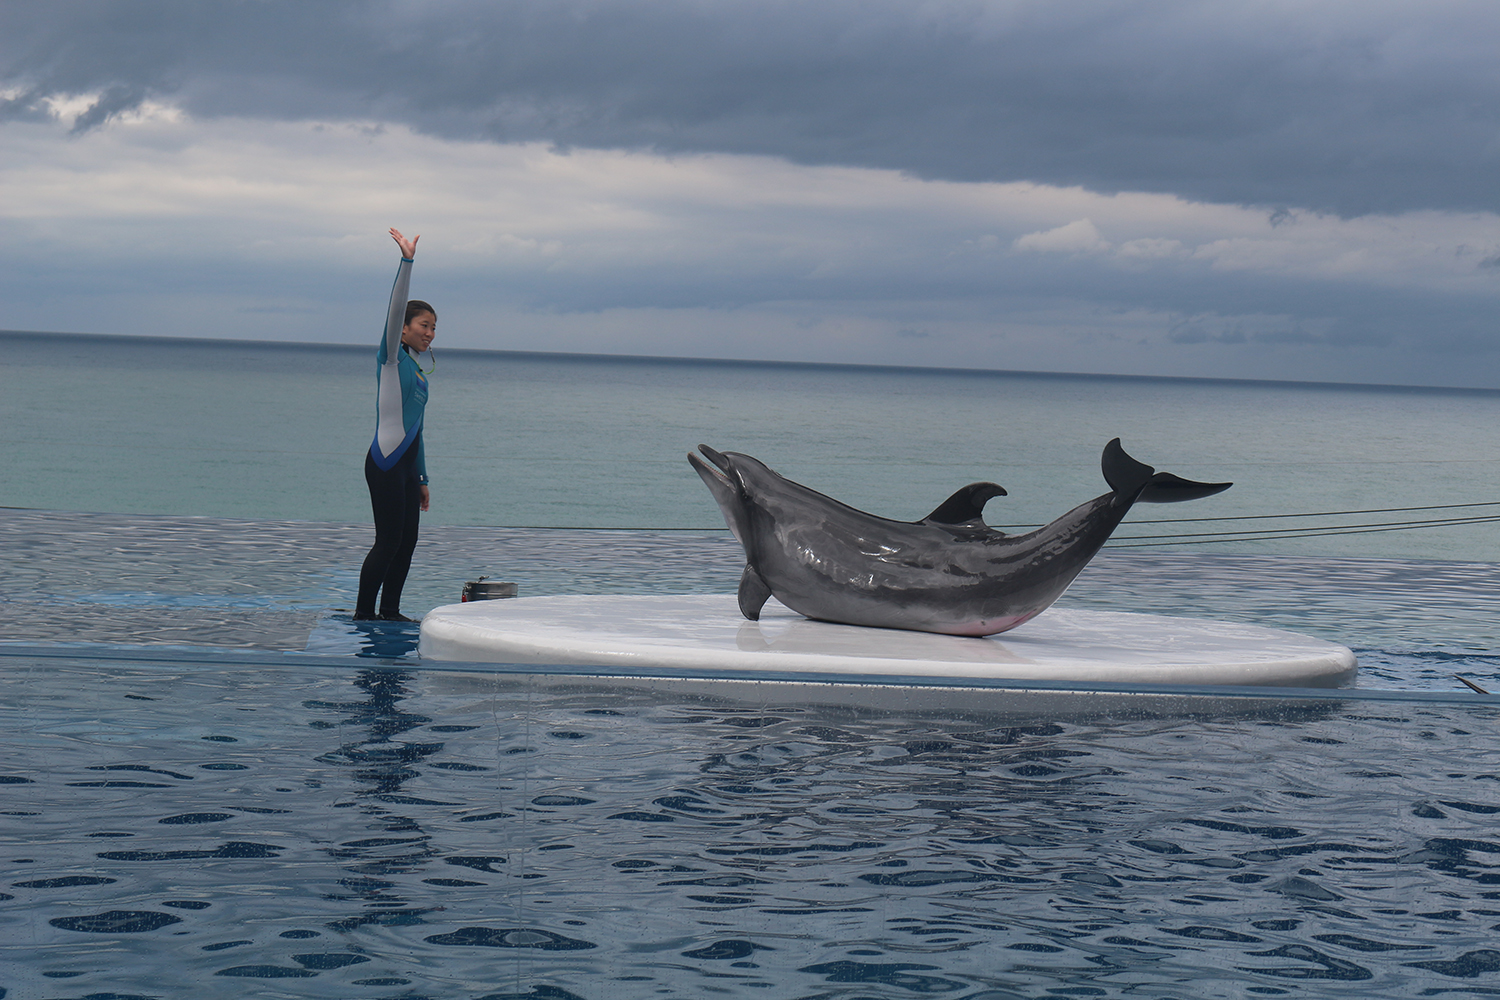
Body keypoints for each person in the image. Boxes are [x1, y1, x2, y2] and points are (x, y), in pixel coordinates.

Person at [355, 227, 435, 622]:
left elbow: (418, 432)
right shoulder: (390, 360)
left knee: (407, 542)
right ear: (403, 329)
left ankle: (390, 611)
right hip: (385, 463)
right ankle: (363, 614)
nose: (430, 333)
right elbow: (395, 308)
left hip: (405, 468)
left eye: (434, 328)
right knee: (387, 541)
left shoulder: (418, 375)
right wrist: (407, 261)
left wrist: (421, 478)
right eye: (424, 325)